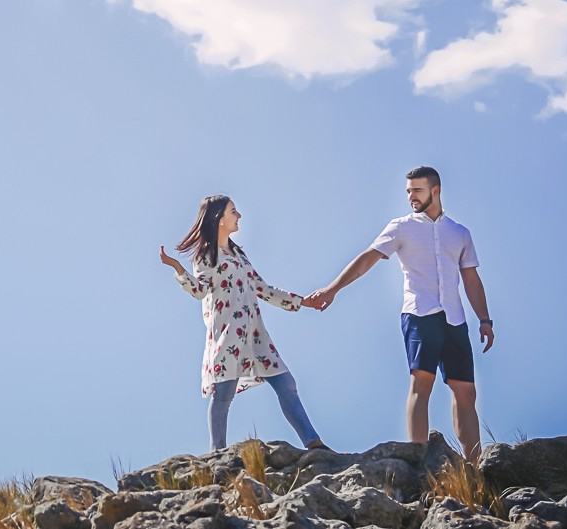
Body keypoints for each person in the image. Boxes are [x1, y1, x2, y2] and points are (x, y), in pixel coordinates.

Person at [307, 166, 494, 462]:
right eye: (408, 192)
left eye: (417, 191)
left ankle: (475, 465)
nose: (411, 197)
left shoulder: (459, 233)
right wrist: (333, 289)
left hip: (455, 319)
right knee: (422, 382)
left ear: (436, 190)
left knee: (466, 391)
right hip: (420, 313)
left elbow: (471, 278)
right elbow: (367, 258)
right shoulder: (401, 227)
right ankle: (418, 459)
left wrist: (485, 319)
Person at [159, 194, 330, 452]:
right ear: (219, 219)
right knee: (223, 395)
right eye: (233, 211)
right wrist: (178, 269)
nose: (239, 216)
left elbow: (262, 288)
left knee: (286, 383)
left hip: (255, 334)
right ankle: (217, 454)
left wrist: (302, 302)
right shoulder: (207, 256)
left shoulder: (239, 253)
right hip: (228, 337)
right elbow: (199, 291)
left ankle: (314, 443)